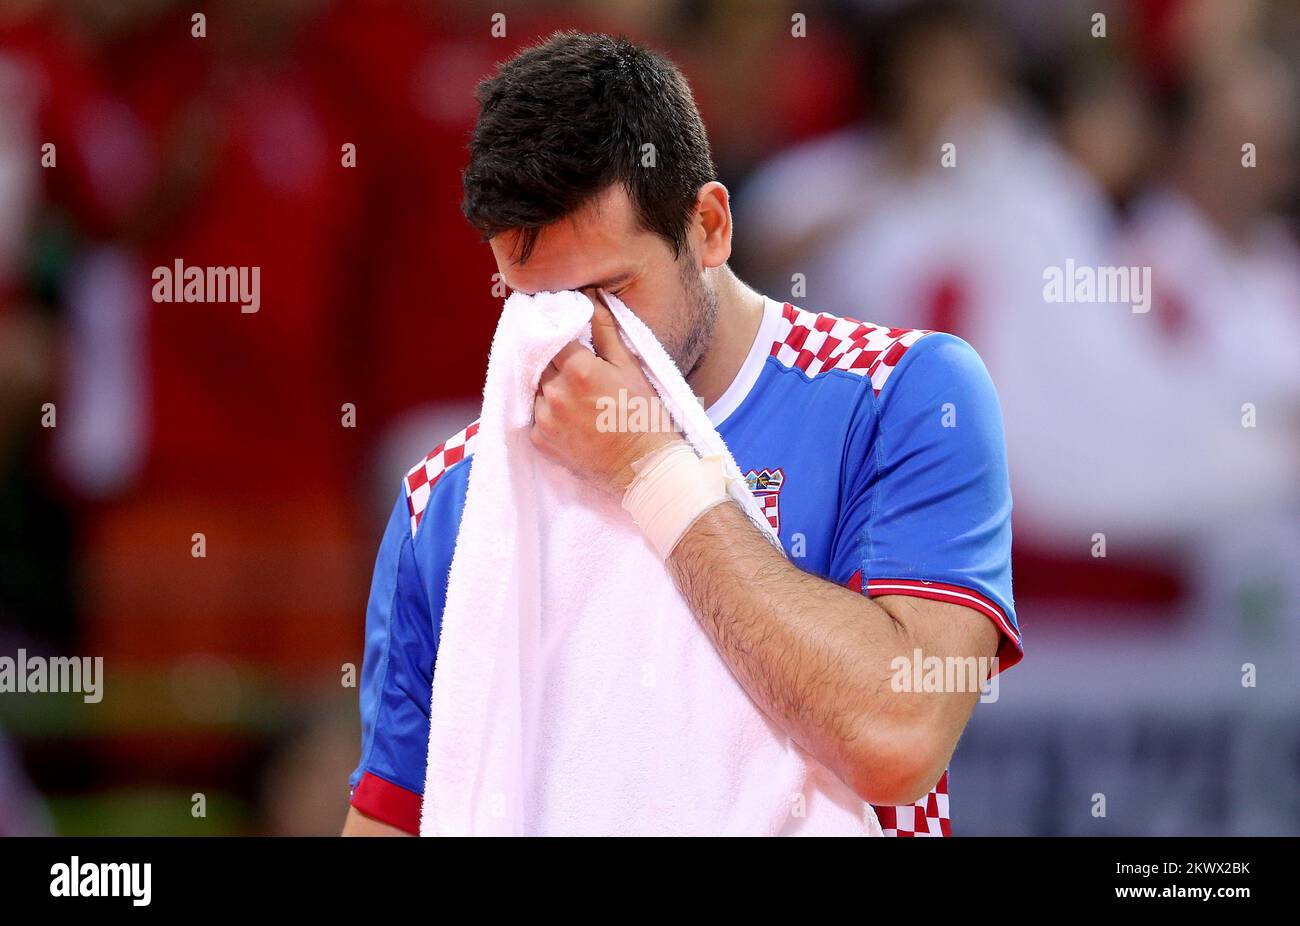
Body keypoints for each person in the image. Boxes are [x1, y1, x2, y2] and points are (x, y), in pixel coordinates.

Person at [343, 31, 1020, 837]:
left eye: (609, 289)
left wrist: (650, 467)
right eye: (536, 304)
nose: (581, 338)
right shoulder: (446, 499)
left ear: (708, 227)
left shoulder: (901, 396)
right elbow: (395, 819)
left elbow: (898, 739)